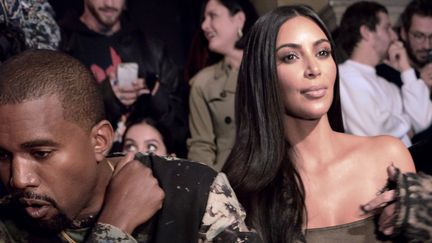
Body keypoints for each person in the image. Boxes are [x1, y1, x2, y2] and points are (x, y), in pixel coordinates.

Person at [0, 49, 260, 242]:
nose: (19, 179)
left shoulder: (193, 192)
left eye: (40, 153)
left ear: (99, 141)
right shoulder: (7, 223)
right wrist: (115, 225)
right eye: (2, 155)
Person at [222, 5, 415, 243]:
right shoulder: (243, 189)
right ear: (263, 74)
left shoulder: (388, 155)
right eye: (290, 57)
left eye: (322, 52)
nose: (314, 69)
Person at [60, 0, 188, 157]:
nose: (109, 3)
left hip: (146, 168)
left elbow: (180, 130)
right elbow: (59, 124)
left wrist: (155, 97)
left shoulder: (150, 47)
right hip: (91, 165)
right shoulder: (63, 44)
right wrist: (107, 97)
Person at [336, 1, 432, 147]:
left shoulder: (388, 85)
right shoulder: (343, 76)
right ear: (366, 32)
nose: (394, 36)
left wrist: (406, 69)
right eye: (387, 28)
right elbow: (372, 131)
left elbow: (422, 119)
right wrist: (407, 124)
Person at [188, 0, 258, 170]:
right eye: (204, 19)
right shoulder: (202, 84)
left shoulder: (275, 69)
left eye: (213, 16)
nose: (204, 26)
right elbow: (201, 148)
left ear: (239, 19)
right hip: (230, 188)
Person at [376, 0, 432, 144]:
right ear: (404, 33)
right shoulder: (385, 74)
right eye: (418, 36)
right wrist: (422, 87)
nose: (427, 45)